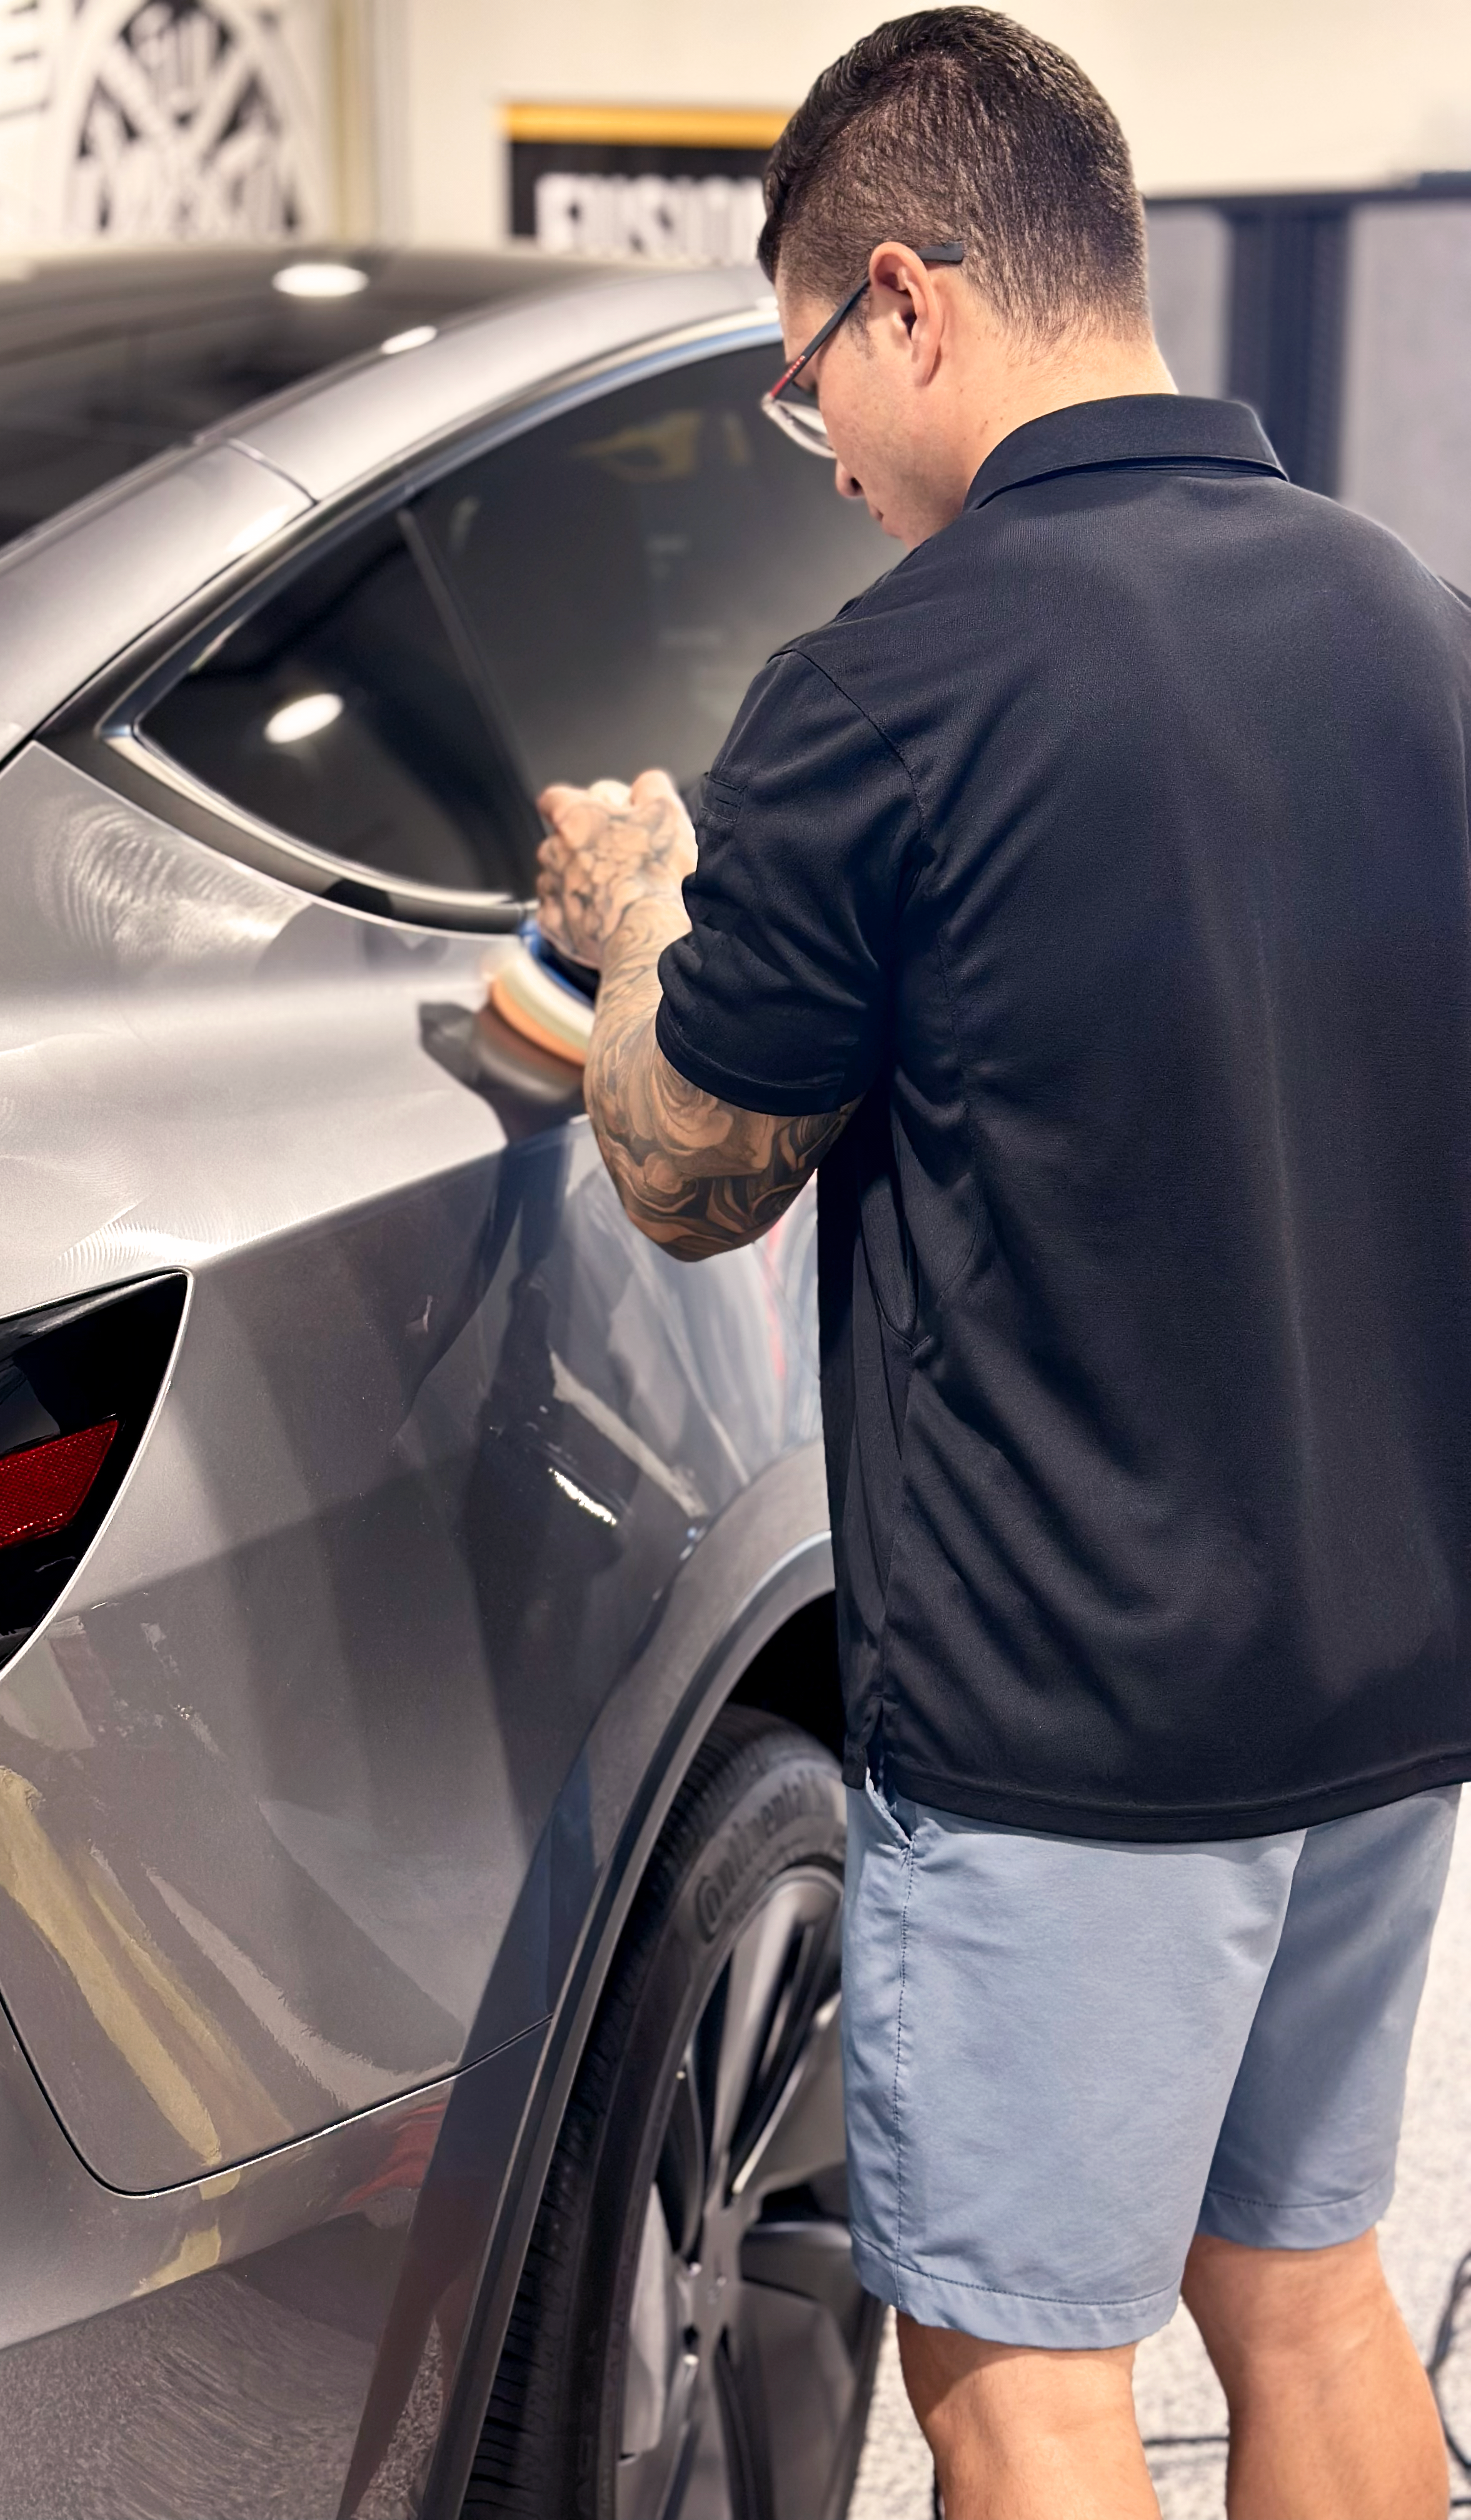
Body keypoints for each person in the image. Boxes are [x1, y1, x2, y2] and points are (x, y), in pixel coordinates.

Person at [533, 11, 1471, 2515]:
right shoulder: (1420, 624)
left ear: (909, 303)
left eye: (803, 383)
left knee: (1021, 2386)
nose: (827, 452)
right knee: (1309, 2292)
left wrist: (642, 917)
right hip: (1382, 1671)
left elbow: (693, 1169)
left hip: (1073, 1722)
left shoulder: (896, 686)